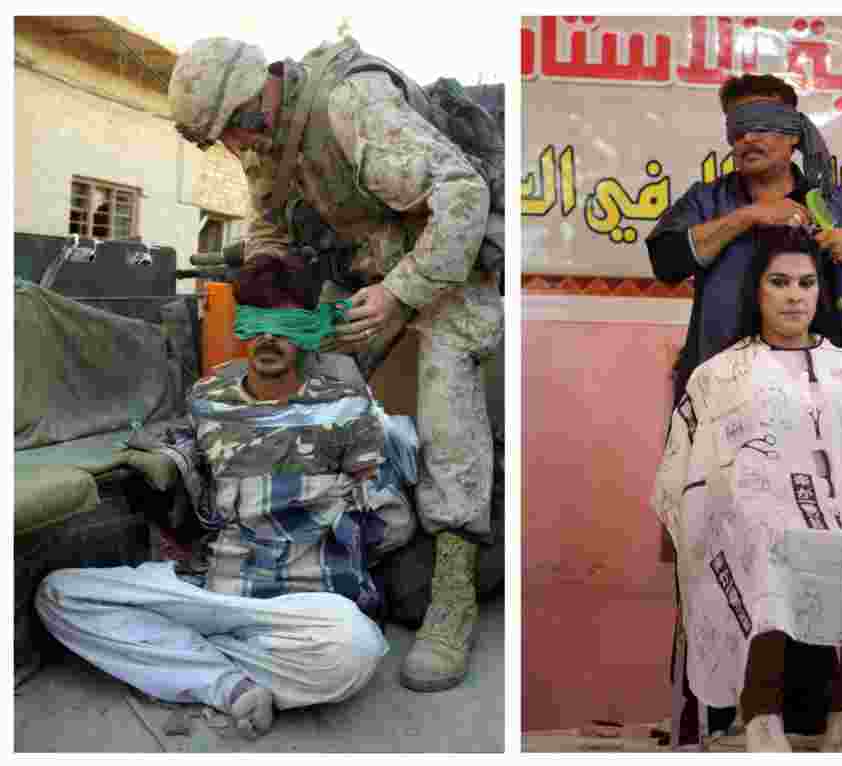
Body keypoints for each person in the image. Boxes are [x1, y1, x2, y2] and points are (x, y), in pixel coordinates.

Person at [167, 36, 503, 692]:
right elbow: (267, 226)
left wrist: (403, 294)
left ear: (262, 86)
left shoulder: (351, 103)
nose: (239, 146)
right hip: (367, 266)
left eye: (239, 126)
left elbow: (462, 195)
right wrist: (273, 282)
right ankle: (324, 541)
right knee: (309, 381)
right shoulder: (262, 139)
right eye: (224, 138)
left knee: (447, 387)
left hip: (449, 257)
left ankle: (453, 593)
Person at [646, 72, 842, 734]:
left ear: (795, 133)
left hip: (835, 428)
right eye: (736, 129)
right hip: (739, 420)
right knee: (733, 568)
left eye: (761, 126)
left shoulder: (841, 210)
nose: (746, 139)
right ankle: (735, 725)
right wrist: (749, 218)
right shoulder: (709, 201)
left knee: (837, 567)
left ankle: (824, 721)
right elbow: (664, 257)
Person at [36, 301, 415, 737]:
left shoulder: (346, 409)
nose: (268, 338)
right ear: (241, 328)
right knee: (60, 595)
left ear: (308, 334)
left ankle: (196, 666)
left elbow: (389, 524)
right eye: (256, 323)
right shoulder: (208, 399)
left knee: (356, 646)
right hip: (216, 591)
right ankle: (232, 680)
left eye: (284, 326)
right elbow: (187, 464)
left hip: (304, 607)